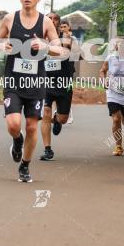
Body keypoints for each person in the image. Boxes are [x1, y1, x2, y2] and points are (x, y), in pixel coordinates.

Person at [0, 0, 63, 182]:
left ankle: (25, 165)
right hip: (14, 82)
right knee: (14, 125)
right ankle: (17, 140)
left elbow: (60, 51)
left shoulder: (46, 23)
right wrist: (1, 45)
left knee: (32, 126)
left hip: (36, 83)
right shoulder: (10, 18)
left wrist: (45, 45)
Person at [39, 15, 77, 161]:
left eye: (55, 19)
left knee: (63, 118)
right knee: (45, 112)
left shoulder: (66, 38)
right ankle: (48, 149)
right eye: (48, 18)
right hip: (46, 80)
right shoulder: (40, 38)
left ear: (59, 23)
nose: (51, 21)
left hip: (63, 82)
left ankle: (57, 119)